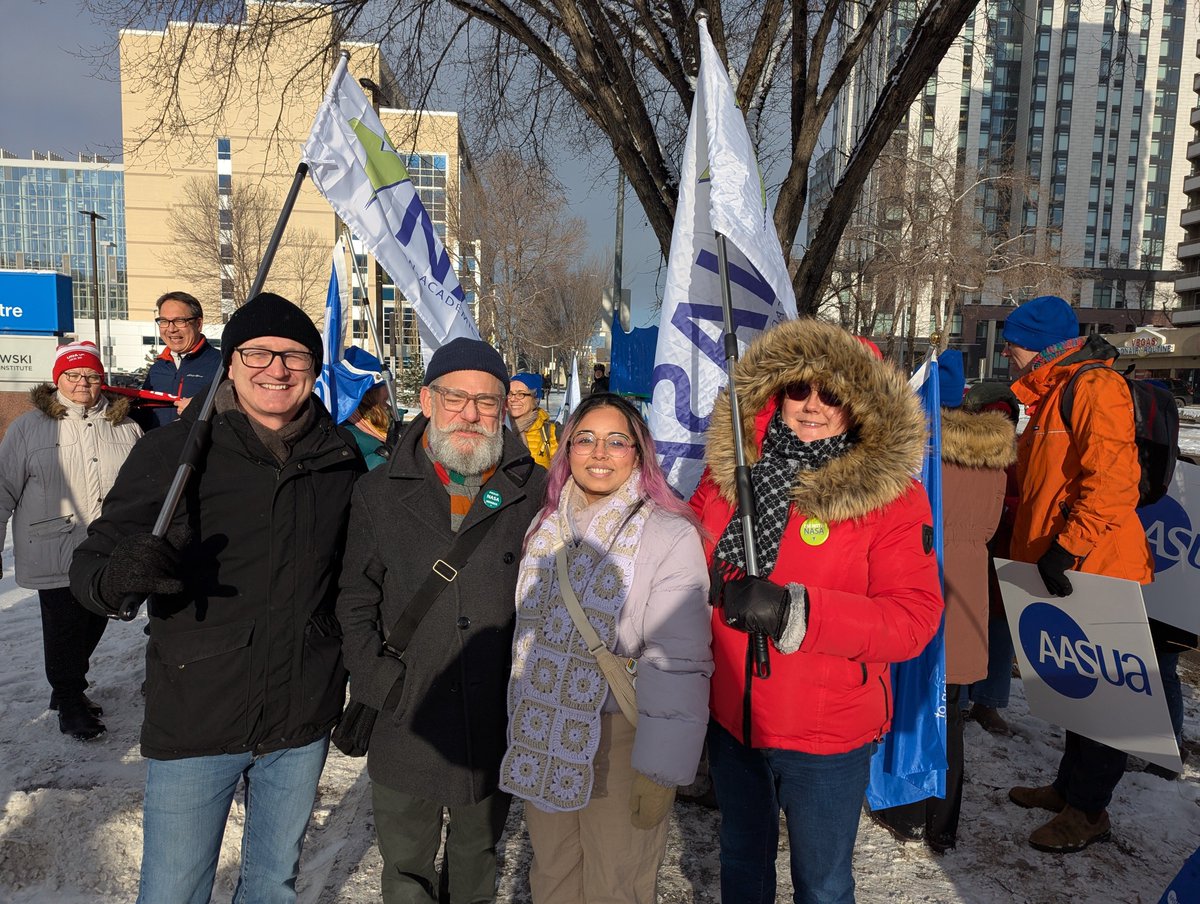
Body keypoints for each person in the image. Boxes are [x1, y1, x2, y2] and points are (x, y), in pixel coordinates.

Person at [70, 292, 364, 903]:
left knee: (272, 886)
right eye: (258, 353)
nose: (276, 369)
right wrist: (119, 575)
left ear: (314, 370)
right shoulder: (175, 453)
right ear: (230, 363)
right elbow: (92, 565)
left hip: (299, 715)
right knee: (173, 890)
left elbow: (353, 583)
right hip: (198, 709)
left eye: (294, 356)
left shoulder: (339, 460)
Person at [689, 319, 943, 904]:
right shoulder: (731, 473)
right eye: (798, 389)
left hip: (826, 737)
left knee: (823, 884)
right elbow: (690, 549)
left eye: (831, 393)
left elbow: (912, 619)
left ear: (858, 403)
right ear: (775, 394)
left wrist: (791, 611)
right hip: (735, 720)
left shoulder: (893, 496)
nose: (811, 405)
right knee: (741, 861)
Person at [337, 337, 547, 904]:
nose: (471, 414)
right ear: (427, 401)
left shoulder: (537, 491)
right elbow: (355, 596)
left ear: (505, 409)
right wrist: (377, 680)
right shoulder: (378, 491)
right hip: (408, 710)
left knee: (477, 857)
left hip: (492, 712)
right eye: (456, 398)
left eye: (487, 402)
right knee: (406, 865)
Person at [500, 393, 712, 902]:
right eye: (586, 439)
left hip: (621, 737)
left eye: (617, 441)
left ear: (639, 453)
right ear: (567, 449)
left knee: (617, 883)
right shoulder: (544, 527)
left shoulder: (667, 534)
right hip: (542, 733)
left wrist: (662, 768)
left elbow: (678, 657)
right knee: (550, 876)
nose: (599, 453)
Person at [1000, 294, 1153, 853]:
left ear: (1039, 346)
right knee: (1075, 690)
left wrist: (1067, 547)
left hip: (1095, 566)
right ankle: (1070, 788)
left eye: (1012, 343)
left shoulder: (1094, 388)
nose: (1007, 354)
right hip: (1068, 566)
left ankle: (1089, 812)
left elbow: (1112, 483)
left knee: (1104, 698)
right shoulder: (1053, 394)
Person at [872, 350, 1013, 853]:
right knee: (950, 711)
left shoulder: (916, 454)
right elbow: (993, 527)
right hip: (969, 586)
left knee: (910, 700)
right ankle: (944, 821)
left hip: (920, 580)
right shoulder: (992, 459)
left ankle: (906, 807)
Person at [0, 340, 142, 741]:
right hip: (51, 545)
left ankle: (67, 688)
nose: (82, 382)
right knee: (63, 625)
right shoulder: (29, 428)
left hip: (106, 548)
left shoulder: (125, 427)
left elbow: (138, 491)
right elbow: (2, 488)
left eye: (91, 375)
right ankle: (68, 699)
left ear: (102, 379)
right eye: (73, 375)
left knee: (96, 617)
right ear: (57, 379)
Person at [962, 381, 1023, 735]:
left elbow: (1028, 500)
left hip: (1003, 554)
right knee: (966, 623)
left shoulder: (1019, 456)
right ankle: (961, 694)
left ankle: (989, 701)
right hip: (970, 554)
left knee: (999, 629)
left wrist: (1004, 508)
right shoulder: (964, 454)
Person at [139, 290, 223, 429]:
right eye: (164, 321)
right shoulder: (158, 368)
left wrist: (200, 409)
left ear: (198, 324)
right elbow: (143, 417)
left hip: (201, 449)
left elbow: (236, 414)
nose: (171, 329)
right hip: (159, 449)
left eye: (180, 321)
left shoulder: (222, 365)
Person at [507, 371, 558, 468]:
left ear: (535, 399)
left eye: (520, 394)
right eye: (510, 394)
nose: (513, 399)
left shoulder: (549, 433)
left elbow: (558, 475)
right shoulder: (499, 429)